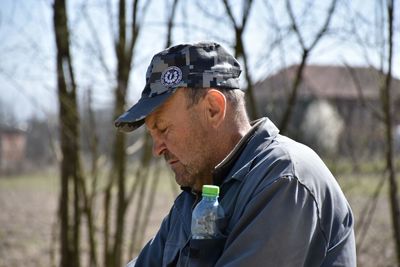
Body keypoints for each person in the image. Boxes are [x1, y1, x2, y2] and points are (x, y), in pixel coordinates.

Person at [115, 42, 356, 267]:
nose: (158, 149)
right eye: (152, 135)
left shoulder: (283, 180)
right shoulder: (197, 191)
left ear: (213, 109)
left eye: (164, 129)